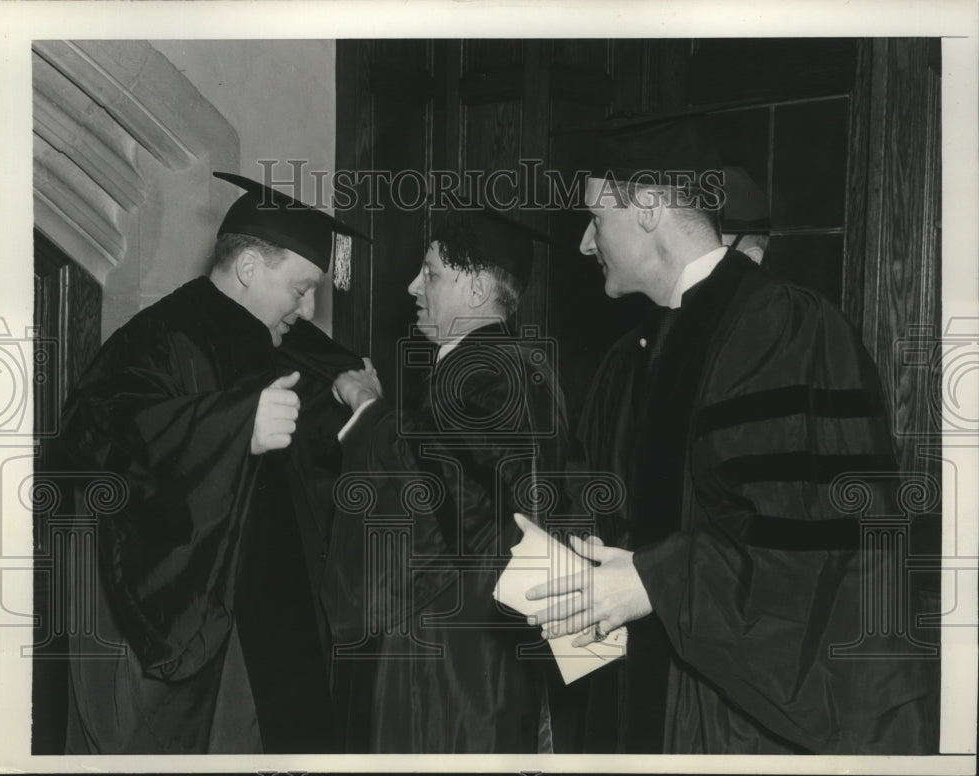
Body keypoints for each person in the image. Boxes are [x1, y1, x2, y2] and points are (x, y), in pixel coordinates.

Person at [526, 120, 940, 754]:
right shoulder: (638, 353)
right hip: (658, 696)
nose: (585, 243)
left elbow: (817, 552)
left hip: (739, 722)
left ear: (646, 208)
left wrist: (650, 582)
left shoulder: (785, 328)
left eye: (594, 218)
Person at [57, 171, 364, 753]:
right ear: (249, 268)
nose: (308, 308)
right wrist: (234, 427)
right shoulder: (159, 338)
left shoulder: (269, 338)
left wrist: (356, 405)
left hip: (263, 625)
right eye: (300, 289)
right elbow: (100, 435)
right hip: (194, 626)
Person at [322, 208, 570, 753]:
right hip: (491, 636)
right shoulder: (520, 365)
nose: (413, 286)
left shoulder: (482, 376)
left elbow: (427, 496)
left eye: (431, 273)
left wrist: (366, 409)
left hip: (451, 650)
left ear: (478, 288)